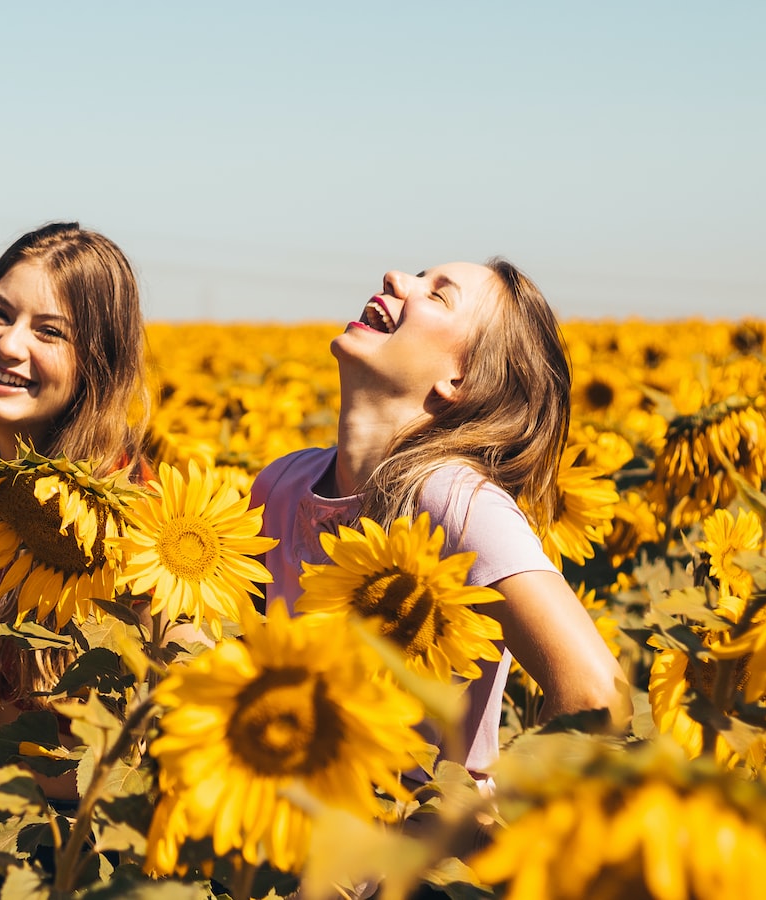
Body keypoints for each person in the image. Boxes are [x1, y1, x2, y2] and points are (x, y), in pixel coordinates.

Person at [250, 259, 631, 782]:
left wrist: (495, 828)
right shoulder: (281, 484)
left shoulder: (453, 501)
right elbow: (240, 653)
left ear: (461, 379)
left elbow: (596, 694)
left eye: (437, 295)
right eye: (417, 275)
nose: (394, 278)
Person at [0, 222, 149, 793]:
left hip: (88, 829)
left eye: (49, 331)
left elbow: (147, 700)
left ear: (98, 363)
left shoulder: (135, 506)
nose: (8, 344)